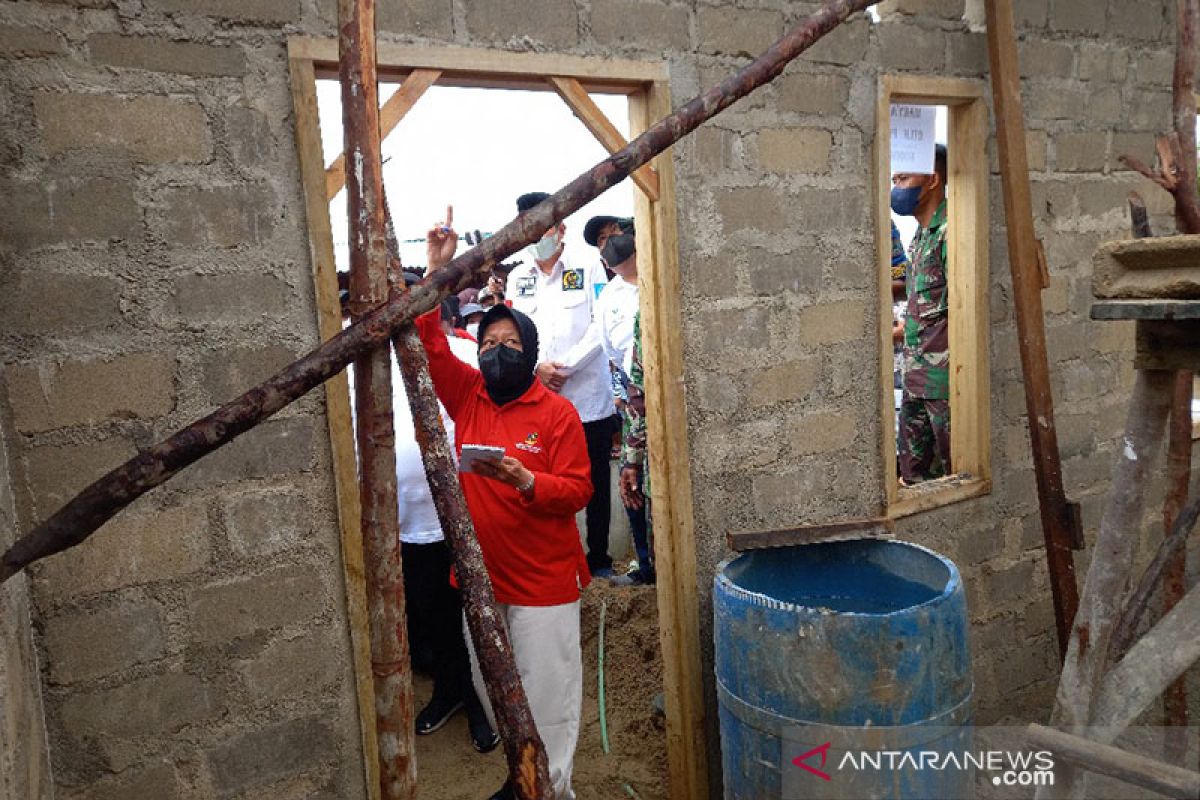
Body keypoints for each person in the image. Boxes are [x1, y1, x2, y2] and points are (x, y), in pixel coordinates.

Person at [421, 209, 593, 800]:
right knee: (494, 689)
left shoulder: (556, 414)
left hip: (542, 586)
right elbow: (425, 342)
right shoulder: (469, 392)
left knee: (549, 708)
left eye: (510, 344)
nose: (496, 352)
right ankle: (524, 783)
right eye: (489, 343)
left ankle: (550, 789)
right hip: (481, 580)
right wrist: (437, 272)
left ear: (530, 352)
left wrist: (527, 481)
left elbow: (577, 490)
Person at [507, 192, 618, 578]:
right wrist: (537, 368)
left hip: (588, 398)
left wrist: (564, 367)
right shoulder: (517, 277)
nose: (538, 235)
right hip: (541, 401)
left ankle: (599, 559)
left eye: (543, 225)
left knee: (594, 483)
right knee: (548, 483)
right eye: (529, 228)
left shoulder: (588, 267)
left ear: (561, 227)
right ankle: (559, 560)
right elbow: (512, 333)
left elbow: (600, 325)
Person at [586, 215, 653, 585]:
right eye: (601, 240)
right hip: (633, 399)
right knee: (632, 482)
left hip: (667, 397)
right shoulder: (610, 296)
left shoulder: (658, 278)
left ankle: (664, 559)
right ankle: (645, 565)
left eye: (615, 233)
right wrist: (623, 399)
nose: (609, 241)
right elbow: (613, 355)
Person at [892, 143, 950, 483]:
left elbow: (960, 310)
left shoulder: (949, 234)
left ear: (931, 180)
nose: (896, 189)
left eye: (903, 178)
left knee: (952, 475)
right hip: (916, 380)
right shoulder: (919, 238)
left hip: (943, 386)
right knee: (913, 480)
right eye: (895, 180)